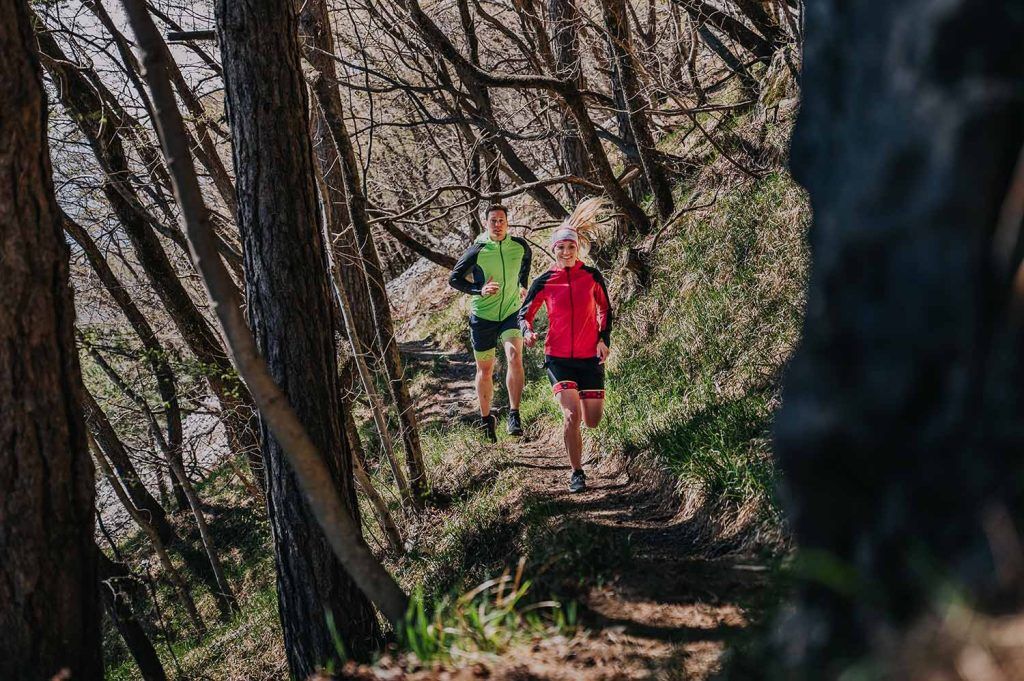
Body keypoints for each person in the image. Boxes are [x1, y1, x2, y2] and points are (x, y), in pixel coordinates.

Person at [519, 198, 613, 493]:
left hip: (589, 357)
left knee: (592, 420)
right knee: (571, 415)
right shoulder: (545, 281)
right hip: (557, 357)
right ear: (554, 250)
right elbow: (525, 313)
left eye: (571, 246)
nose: (566, 251)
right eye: (561, 247)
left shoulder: (591, 276)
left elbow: (605, 309)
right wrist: (528, 331)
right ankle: (577, 473)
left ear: (577, 248)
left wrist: (603, 340)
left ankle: (581, 453)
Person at [449, 204, 533, 442]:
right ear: (486, 223)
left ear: (507, 222)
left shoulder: (519, 246)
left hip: (510, 312)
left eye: (501, 220)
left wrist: (523, 284)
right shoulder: (477, 250)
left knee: (515, 357)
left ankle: (514, 414)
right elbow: (454, 279)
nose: (497, 225)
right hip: (482, 317)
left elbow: (526, 261)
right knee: (485, 370)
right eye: (493, 221)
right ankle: (486, 420)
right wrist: (479, 289)